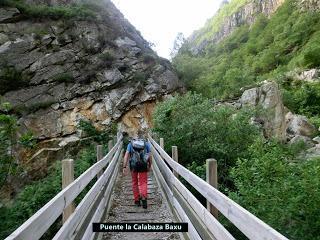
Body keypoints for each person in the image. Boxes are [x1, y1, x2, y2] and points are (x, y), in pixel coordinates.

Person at [122, 132, 151, 209]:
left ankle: (137, 200)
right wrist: (149, 165)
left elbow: (126, 155)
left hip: (133, 165)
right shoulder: (146, 143)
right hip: (143, 165)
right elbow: (149, 156)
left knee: (135, 182)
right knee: (143, 182)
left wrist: (124, 167)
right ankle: (144, 198)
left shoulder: (130, 144)